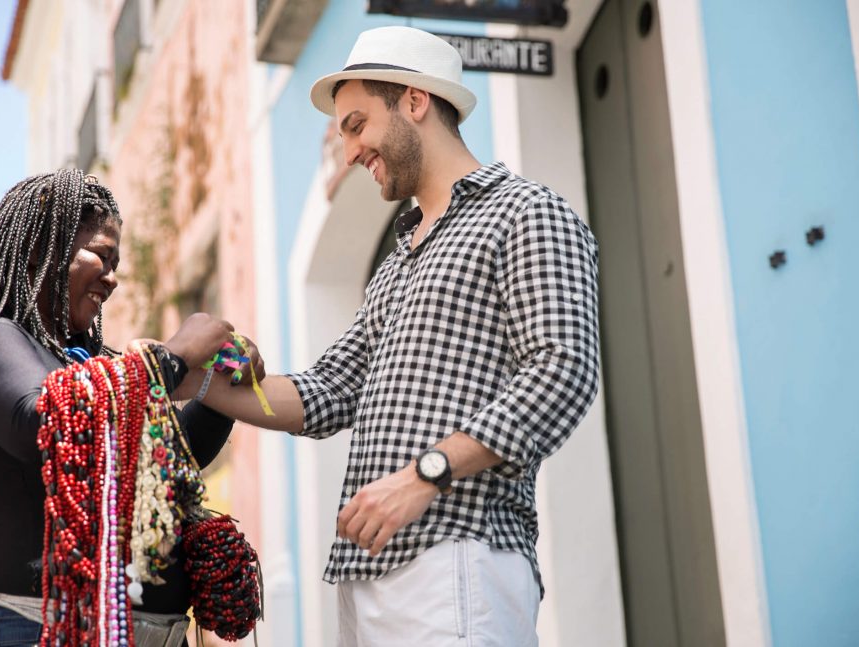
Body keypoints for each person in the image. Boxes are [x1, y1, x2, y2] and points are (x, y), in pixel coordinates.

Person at [196, 26, 600, 646]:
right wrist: (190, 377)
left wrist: (424, 475)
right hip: (366, 579)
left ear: (414, 101)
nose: (350, 150)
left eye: (357, 124)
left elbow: (562, 370)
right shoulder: (396, 260)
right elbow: (328, 391)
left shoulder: (526, 212)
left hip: (460, 559)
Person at [0, 169, 248, 647]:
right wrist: (173, 356)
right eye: (102, 255)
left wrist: (222, 391)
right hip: (30, 629)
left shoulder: (94, 366)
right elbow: (42, 420)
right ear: (42, 248)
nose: (113, 278)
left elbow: (173, 457)